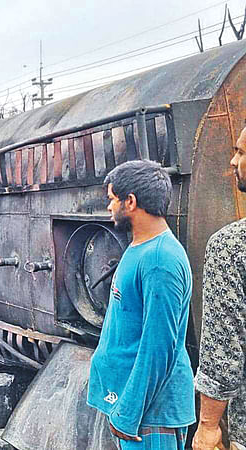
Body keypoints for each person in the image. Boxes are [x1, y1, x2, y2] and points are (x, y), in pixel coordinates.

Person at [87, 160, 194, 449]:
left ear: (131, 202)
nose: (109, 207)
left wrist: (128, 414)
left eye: (112, 199)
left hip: (151, 416)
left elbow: (158, 347)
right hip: (135, 408)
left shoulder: (161, 260)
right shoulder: (141, 248)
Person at [193, 126, 246, 450]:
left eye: (241, 152)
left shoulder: (232, 246)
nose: (232, 161)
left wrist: (208, 426)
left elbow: (223, 352)